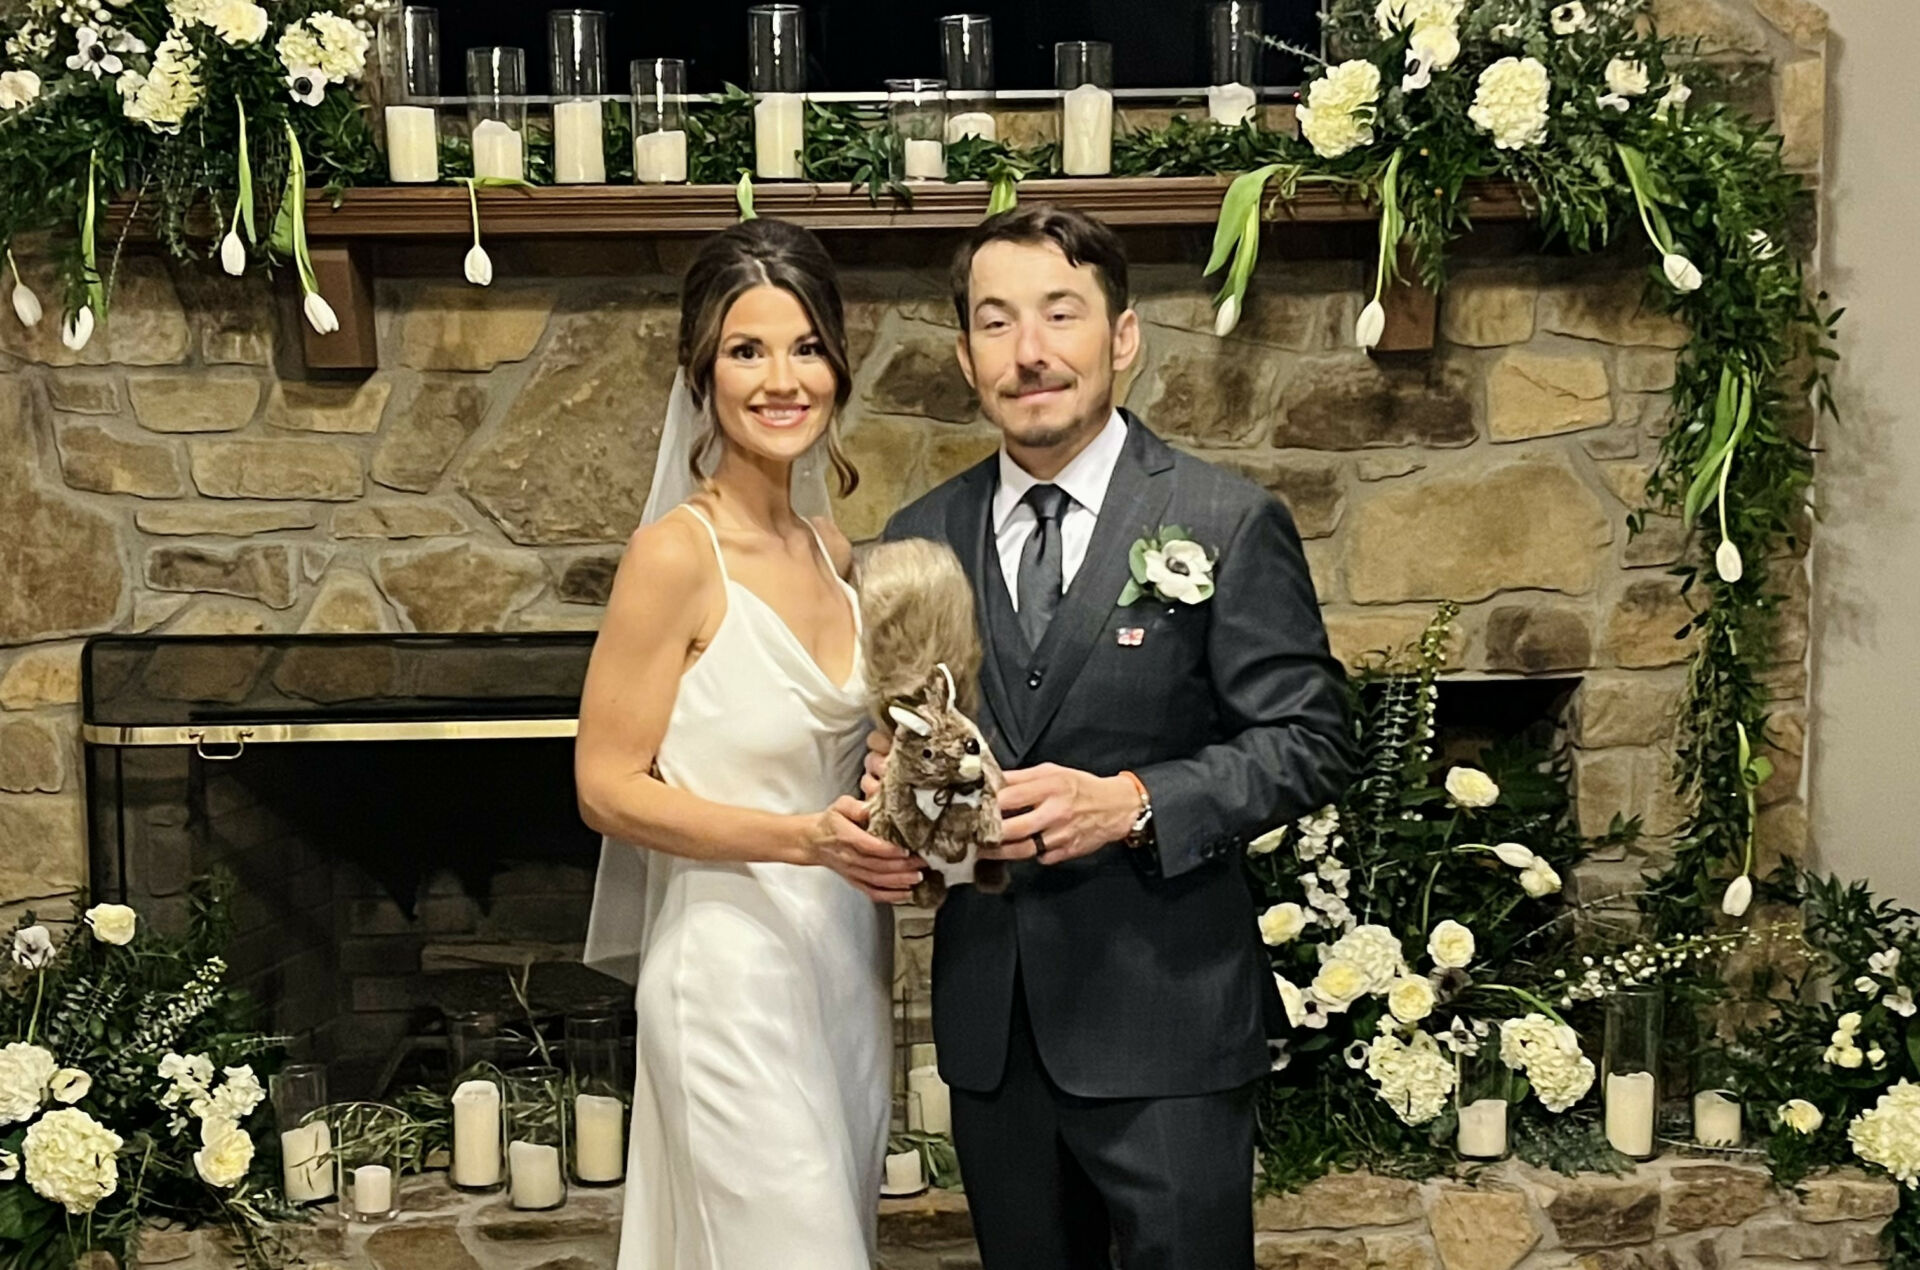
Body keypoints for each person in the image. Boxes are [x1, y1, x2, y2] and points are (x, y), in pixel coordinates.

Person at [871, 204, 1357, 1270]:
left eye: (1060, 314)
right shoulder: (918, 539)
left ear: (1122, 337)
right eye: (995, 324)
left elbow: (1313, 737)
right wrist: (906, 814)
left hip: (1169, 1022)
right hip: (996, 1033)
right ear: (965, 357)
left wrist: (1133, 800)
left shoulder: (1224, 519)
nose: (1030, 351)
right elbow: (909, 748)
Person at [575, 218, 920, 1270]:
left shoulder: (835, 551)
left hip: (846, 971)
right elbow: (604, 786)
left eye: (806, 345)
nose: (783, 378)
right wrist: (800, 838)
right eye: (747, 349)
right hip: (727, 974)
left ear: (838, 364)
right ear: (703, 372)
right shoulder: (673, 556)